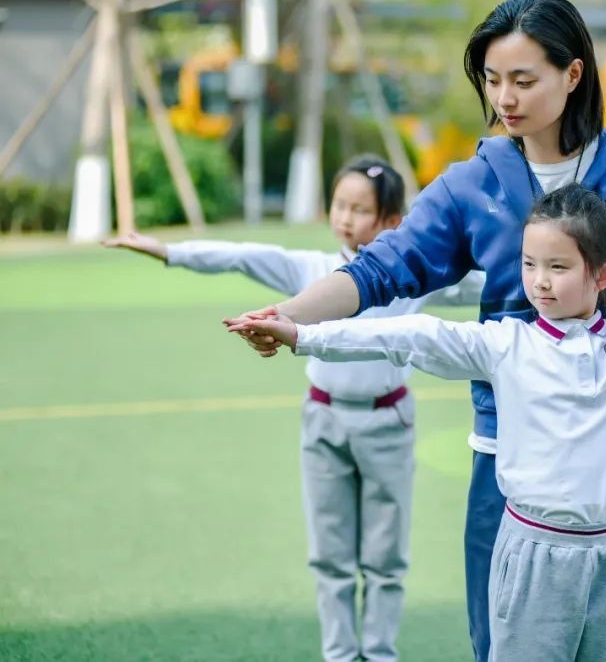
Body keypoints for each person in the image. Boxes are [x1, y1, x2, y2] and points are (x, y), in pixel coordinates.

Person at [226, 0, 606, 662]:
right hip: (508, 465)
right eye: (492, 80)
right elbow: (380, 270)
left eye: (524, 80)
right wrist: (289, 316)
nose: (505, 97)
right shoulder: (474, 183)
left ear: (574, 75)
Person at [229, 185, 606, 662]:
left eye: (558, 266)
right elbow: (410, 336)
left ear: (602, 275)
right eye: (529, 265)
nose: (540, 282)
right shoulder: (507, 343)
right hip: (532, 551)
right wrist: (302, 334)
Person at [106, 156, 483, 662]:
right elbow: (242, 256)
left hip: (388, 424)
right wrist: (169, 251)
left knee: (384, 558)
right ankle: (340, 655)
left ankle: (379, 654)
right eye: (340, 205)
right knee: (330, 557)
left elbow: (494, 283)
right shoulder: (312, 271)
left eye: (360, 209)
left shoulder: (413, 278)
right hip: (323, 421)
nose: (346, 218)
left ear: (393, 221)